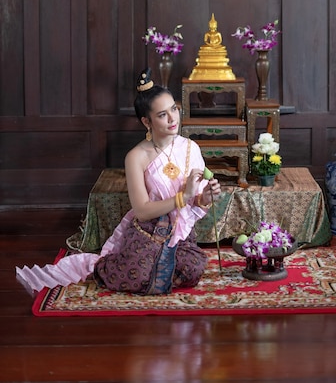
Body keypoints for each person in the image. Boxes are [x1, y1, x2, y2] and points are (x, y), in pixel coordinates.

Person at [16, 68, 221, 296]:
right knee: (137, 273)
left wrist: (204, 198)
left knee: (193, 268)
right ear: (147, 121)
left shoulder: (190, 148)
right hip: (149, 228)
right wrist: (183, 196)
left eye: (174, 109)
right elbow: (142, 211)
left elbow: (196, 203)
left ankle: (158, 268)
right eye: (162, 114)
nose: (173, 118)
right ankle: (99, 268)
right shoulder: (136, 157)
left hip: (179, 230)